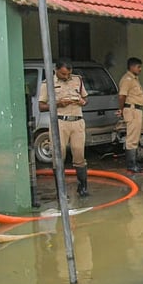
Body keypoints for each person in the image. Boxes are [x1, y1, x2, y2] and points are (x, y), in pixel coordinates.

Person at [38, 58, 90, 196]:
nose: (66, 77)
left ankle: (83, 188)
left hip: (77, 121)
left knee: (79, 154)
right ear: (56, 71)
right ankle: (61, 191)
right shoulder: (48, 83)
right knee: (59, 155)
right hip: (59, 122)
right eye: (63, 74)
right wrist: (58, 104)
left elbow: (86, 100)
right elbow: (41, 106)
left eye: (68, 74)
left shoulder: (77, 80)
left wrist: (82, 101)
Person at [117, 57, 143, 173]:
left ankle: (134, 163)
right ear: (132, 67)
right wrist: (121, 109)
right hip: (132, 110)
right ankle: (131, 165)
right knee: (132, 138)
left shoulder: (134, 79)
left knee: (135, 137)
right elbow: (122, 96)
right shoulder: (127, 79)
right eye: (138, 67)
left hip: (136, 110)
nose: (140, 69)